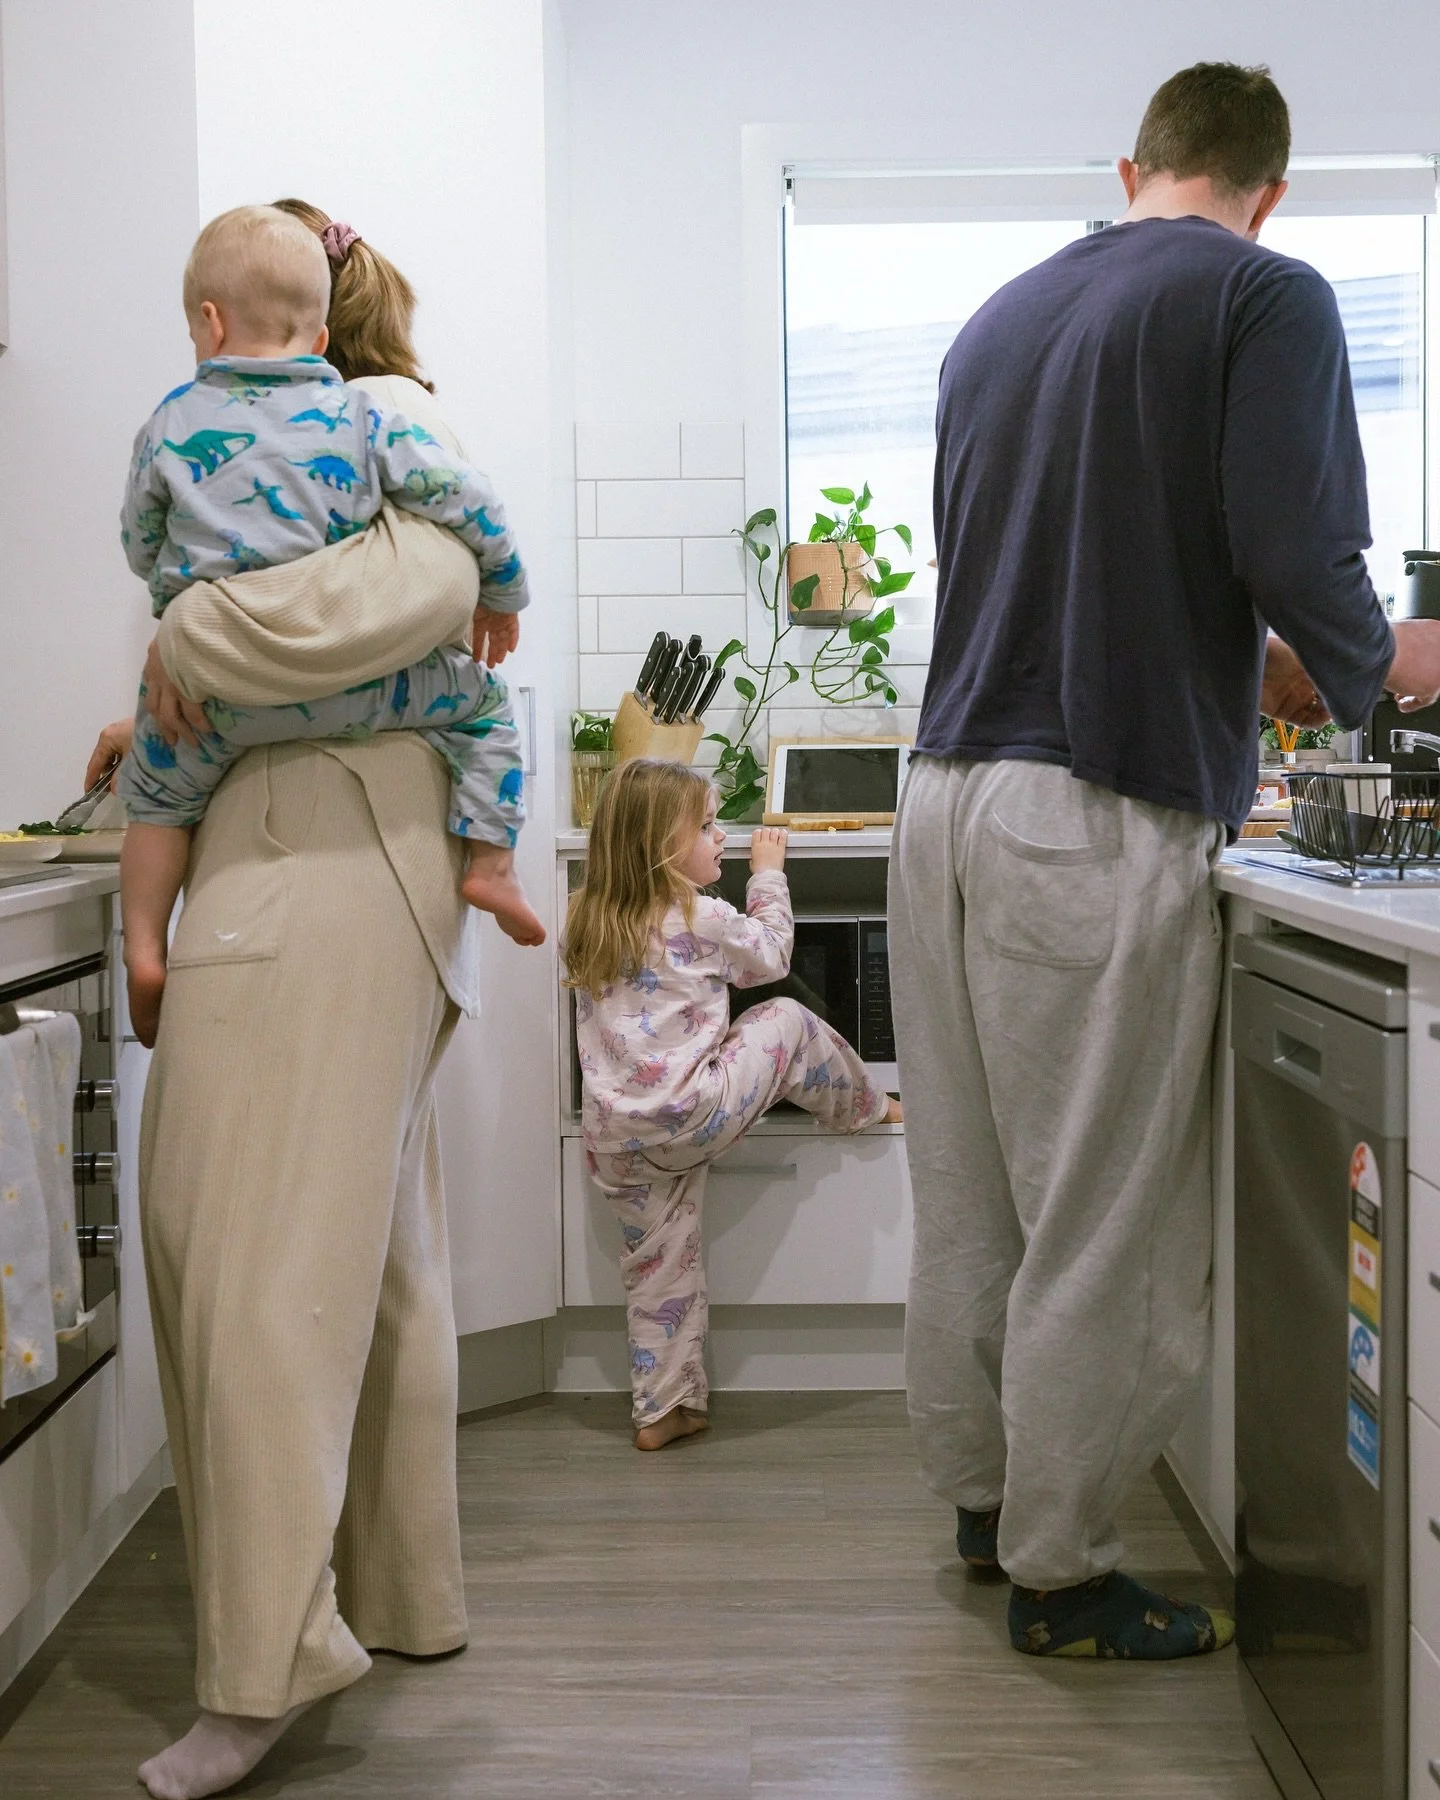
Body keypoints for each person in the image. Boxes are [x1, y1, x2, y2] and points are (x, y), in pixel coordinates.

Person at [889, 60, 1440, 1663]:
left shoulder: (999, 316)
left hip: (949, 795)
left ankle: (990, 1507)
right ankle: (1065, 1573)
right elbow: (1294, 548)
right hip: (1097, 801)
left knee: (973, 1194)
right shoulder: (1267, 295)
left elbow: (1045, 549)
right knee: (1099, 1214)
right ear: (1271, 188)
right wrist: (1386, 664)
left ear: (1134, 166)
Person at [87, 202, 522, 1800]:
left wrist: (191, 633)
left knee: (236, 1254)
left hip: (320, 849)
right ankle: (403, 1598)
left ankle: (262, 1673)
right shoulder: (331, 444)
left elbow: (405, 601)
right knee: (369, 1254)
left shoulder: (377, 423)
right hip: (359, 843)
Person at [115, 203, 542, 1048]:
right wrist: (505, 589)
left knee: (156, 797)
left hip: (222, 714)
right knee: (487, 706)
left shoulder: (168, 423)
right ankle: (494, 865)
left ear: (208, 319)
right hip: (365, 695)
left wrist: (181, 610)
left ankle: (144, 947)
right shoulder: (365, 417)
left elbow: (139, 540)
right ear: (318, 336)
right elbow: (471, 502)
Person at [565, 760, 901, 1450]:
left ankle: (663, 1411)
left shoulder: (587, 915)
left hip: (617, 1137)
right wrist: (768, 875)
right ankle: (870, 1105)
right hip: (692, 1113)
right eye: (710, 825)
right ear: (663, 845)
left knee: (659, 1267)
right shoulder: (700, 912)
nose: (723, 836)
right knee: (785, 1018)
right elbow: (772, 958)